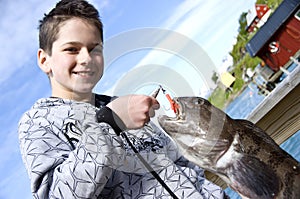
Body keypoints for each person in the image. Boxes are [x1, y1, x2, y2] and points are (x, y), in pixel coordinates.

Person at [18, 0, 226, 198]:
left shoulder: (124, 105)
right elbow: (55, 194)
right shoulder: (37, 123)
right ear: (45, 60)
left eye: (94, 48)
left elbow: (182, 164)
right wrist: (110, 122)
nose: (86, 58)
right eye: (72, 49)